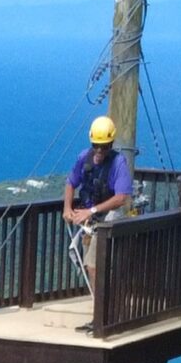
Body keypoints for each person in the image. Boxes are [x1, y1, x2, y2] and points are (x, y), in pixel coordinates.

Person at [62, 116, 135, 284]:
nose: (100, 150)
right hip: (89, 221)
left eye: (104, 146)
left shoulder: (118, 163)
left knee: (93, 265)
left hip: (107, 218)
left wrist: (92, 211)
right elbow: (70, 183)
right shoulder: (83, 158)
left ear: (111, 144)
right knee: (90, 264)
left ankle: (101, 307)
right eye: (96, 146)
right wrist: (67, 208)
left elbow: (121, 198)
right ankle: (101, 303)